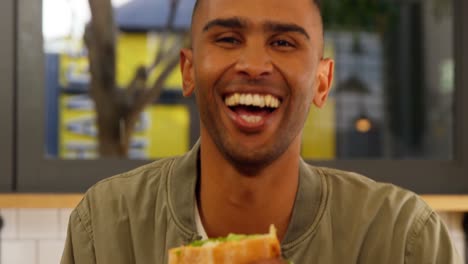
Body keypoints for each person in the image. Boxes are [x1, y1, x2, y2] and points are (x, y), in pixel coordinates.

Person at [61, 0, 462, 263]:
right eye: (229, 38)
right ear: (187, 71)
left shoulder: (403, 239)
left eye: (284, 42)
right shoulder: (106, 228)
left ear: (322, 82)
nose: (254, 64)